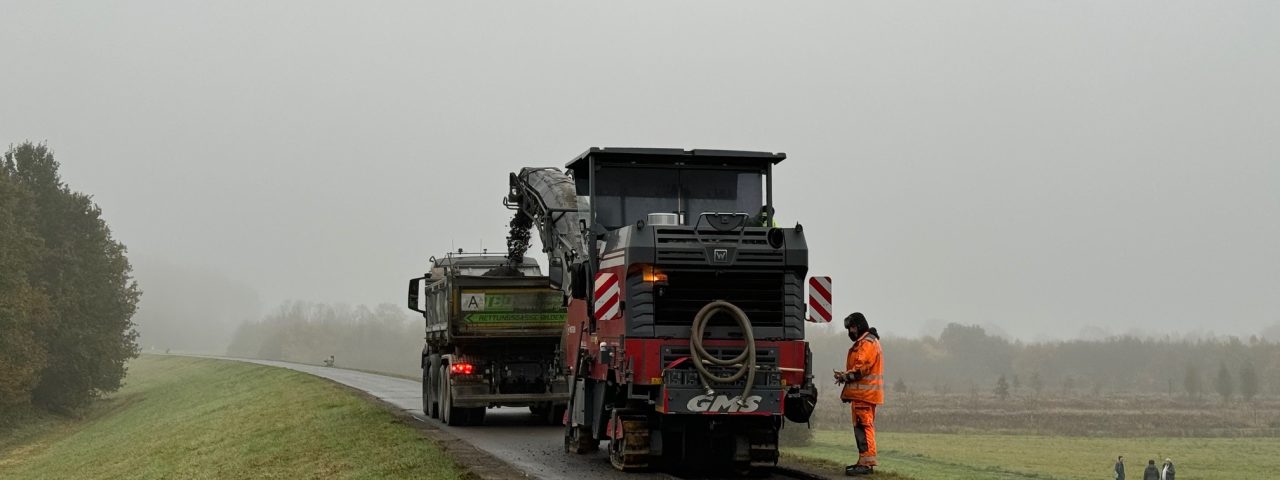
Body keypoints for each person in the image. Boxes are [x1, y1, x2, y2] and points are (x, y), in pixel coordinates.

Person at [834, 312, 883, 476]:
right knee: (861, 427)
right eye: (849, 328)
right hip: (862, 395)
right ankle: (863, 461)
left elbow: (861, 368)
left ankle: (867, 464)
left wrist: (844, 376)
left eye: (852, 327)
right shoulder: (866, 341)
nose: (850, 331)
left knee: (864, 426)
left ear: (860, 325)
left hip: (865, 395)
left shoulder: (867, 343)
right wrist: (846, 375)